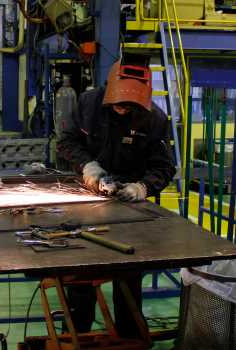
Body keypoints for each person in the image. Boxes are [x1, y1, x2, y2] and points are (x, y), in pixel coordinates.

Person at [57, 56, 176, 338]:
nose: (124, 112)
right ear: (109, 92)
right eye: (120, 105)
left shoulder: (154, 118)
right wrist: (87, 165)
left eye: (130, 108)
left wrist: (144, 187)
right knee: (81, 278)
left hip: (129, 209)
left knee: (129, 278)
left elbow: (164, 166)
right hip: (85, 199)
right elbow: (66, 141)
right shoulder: (88, 104)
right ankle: (78, 336)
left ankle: (130, 336)